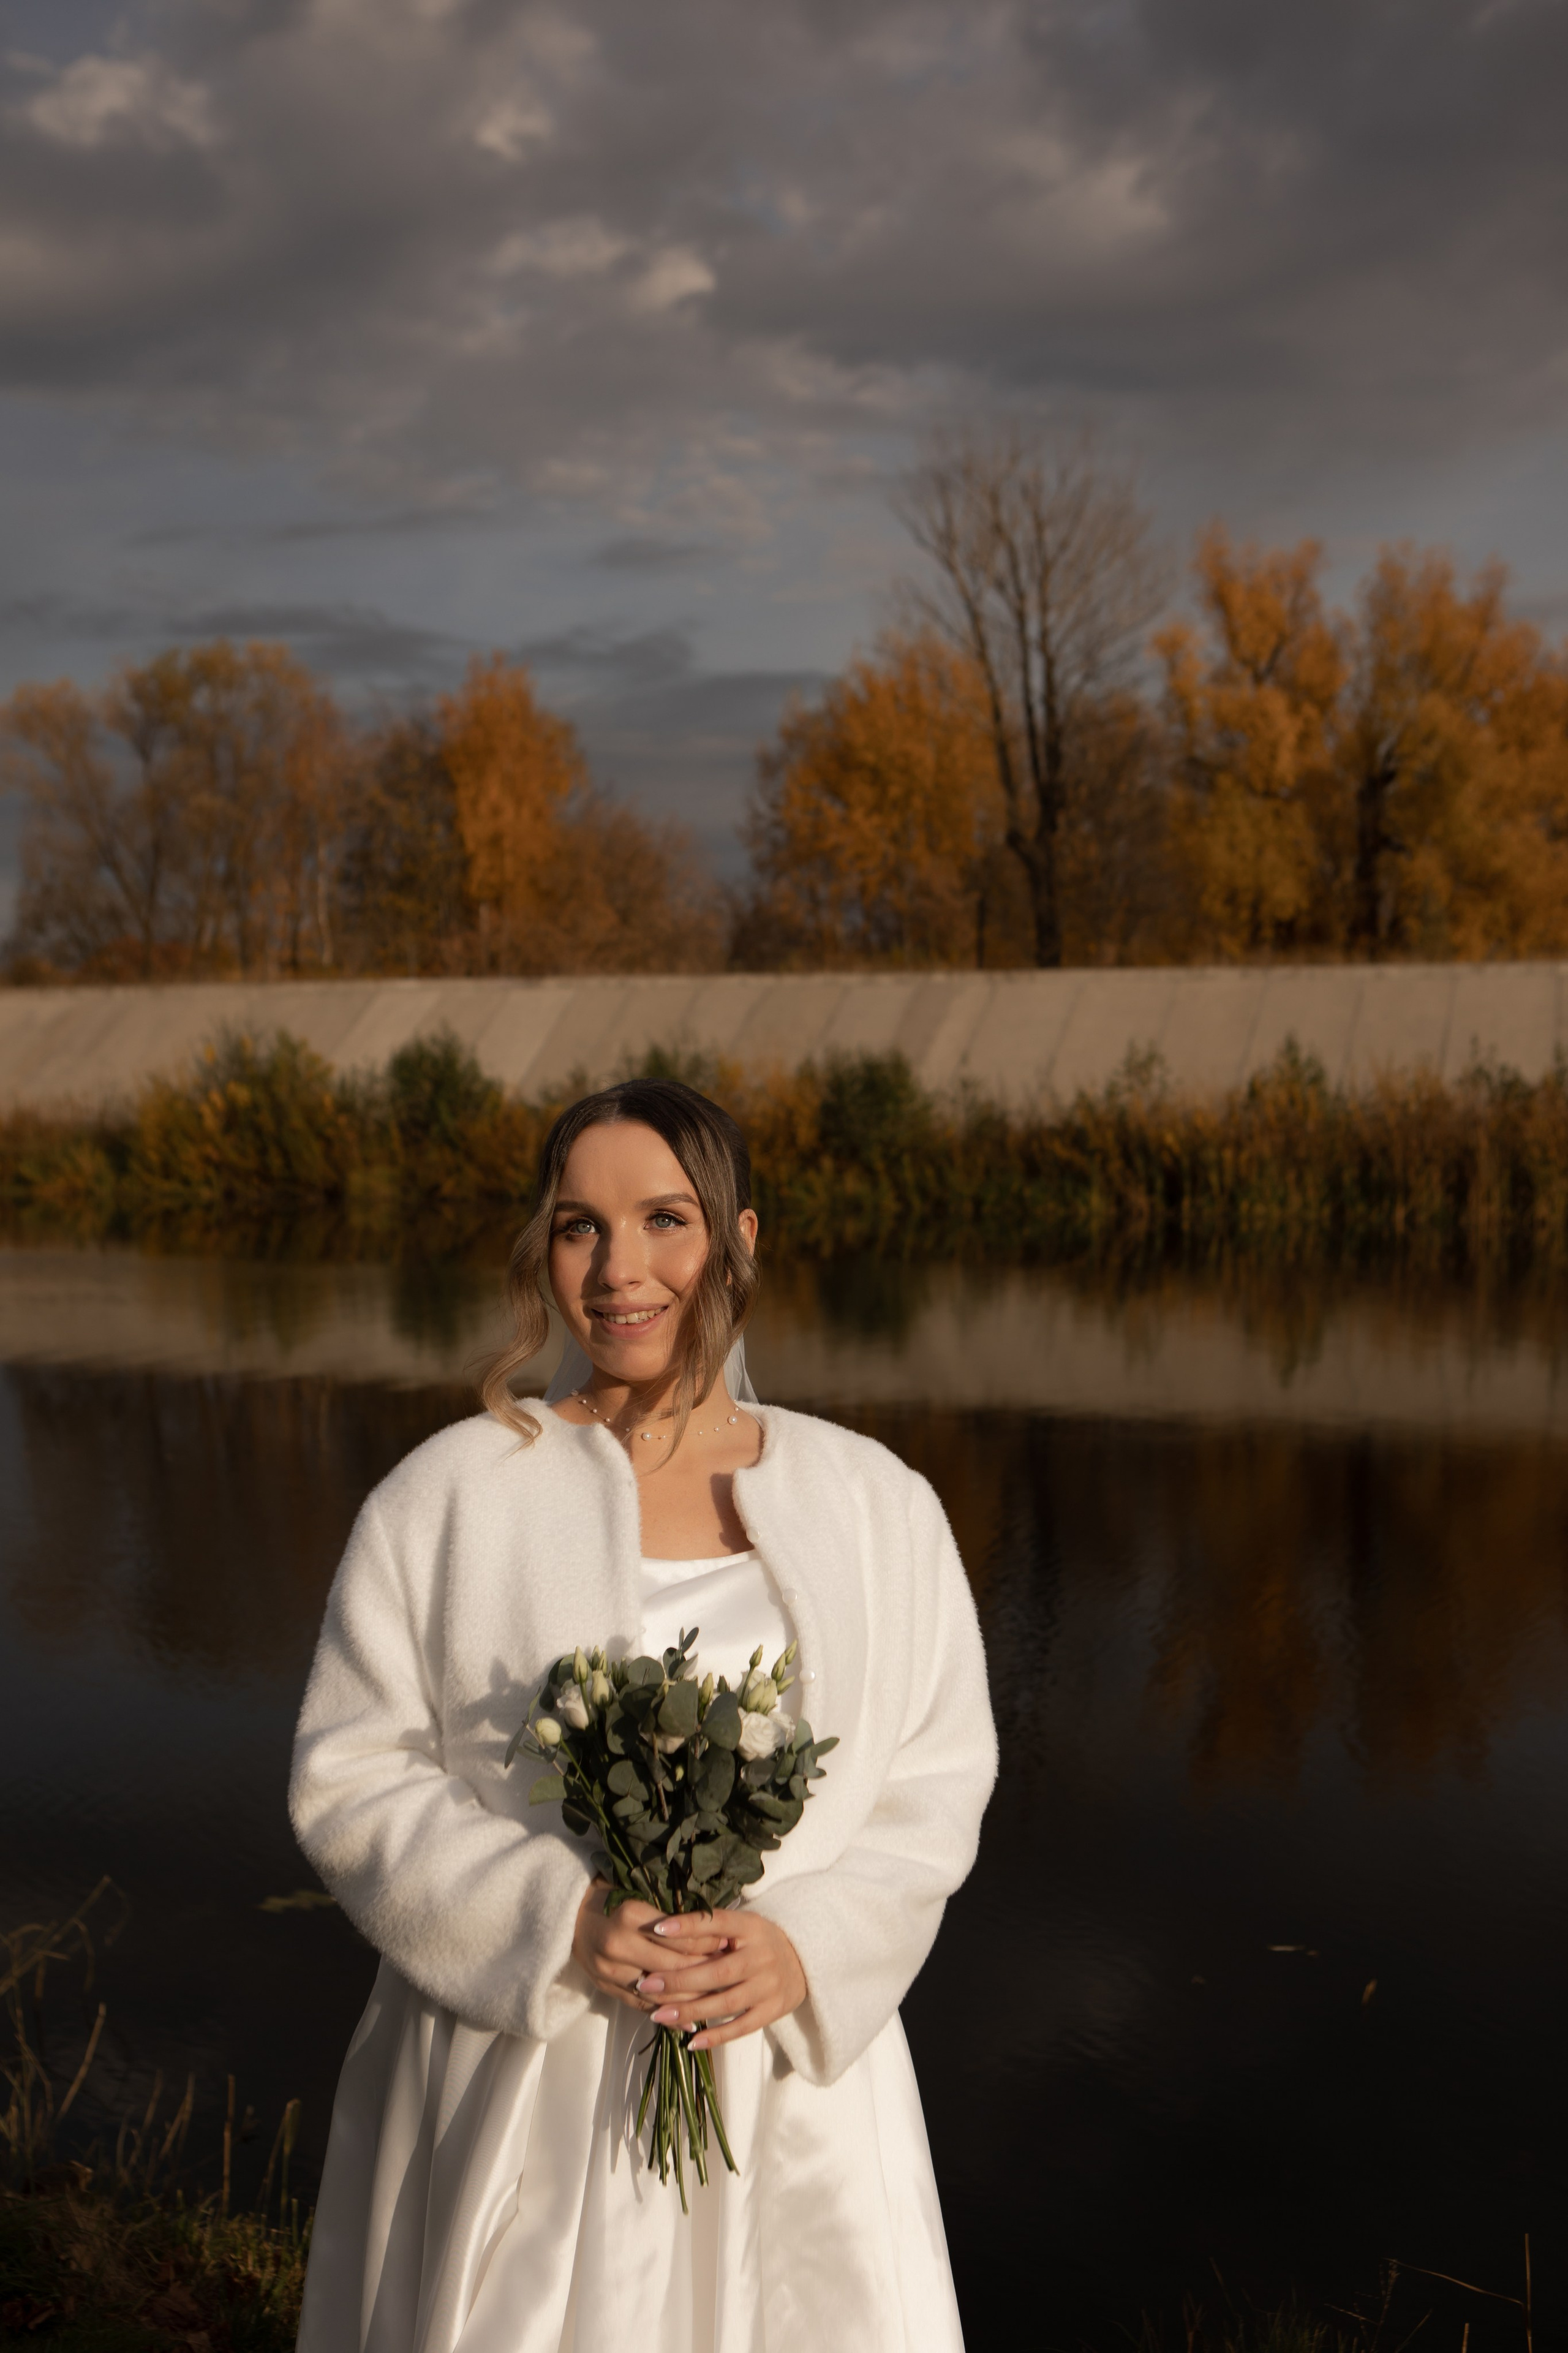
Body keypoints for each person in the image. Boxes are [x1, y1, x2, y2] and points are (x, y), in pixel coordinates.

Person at [289, 1078, 997, 2353]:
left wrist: (808, 1946)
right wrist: (554, 1922)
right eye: (578, 1225)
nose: (618, 1268)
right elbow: (354, 1774)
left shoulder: (876, 1503)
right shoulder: (448, 1496)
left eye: (663, 1217)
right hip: (523, 2078)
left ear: (738, 1239)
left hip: (793, 2092)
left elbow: (931, 1784)